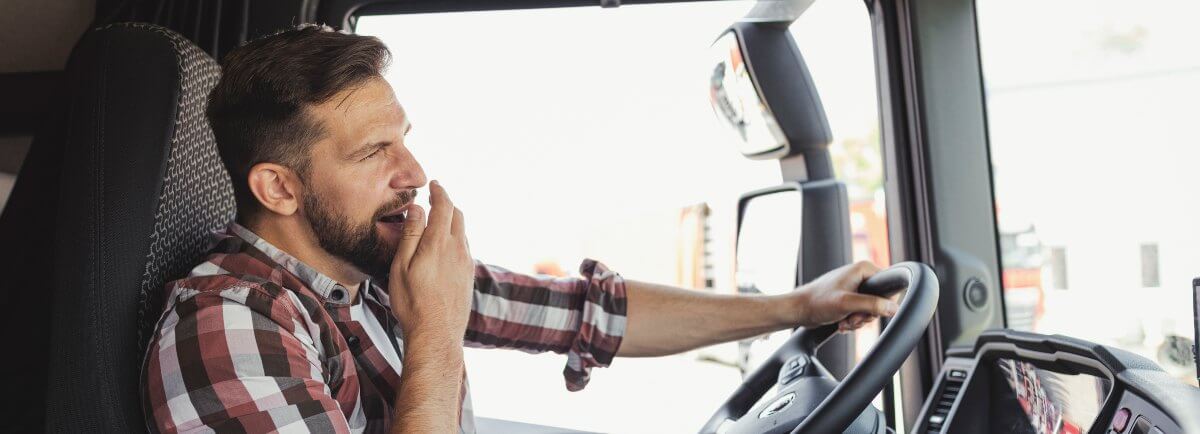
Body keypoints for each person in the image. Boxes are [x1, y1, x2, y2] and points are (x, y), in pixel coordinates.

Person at [141, 24, 898, 434]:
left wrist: (800, 307)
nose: (415, 171)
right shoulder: (228, 322)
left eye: (405, 137)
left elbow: (586, 314)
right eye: (376, 152)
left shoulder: (367, 271)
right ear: (279, 186)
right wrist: (436, 331)